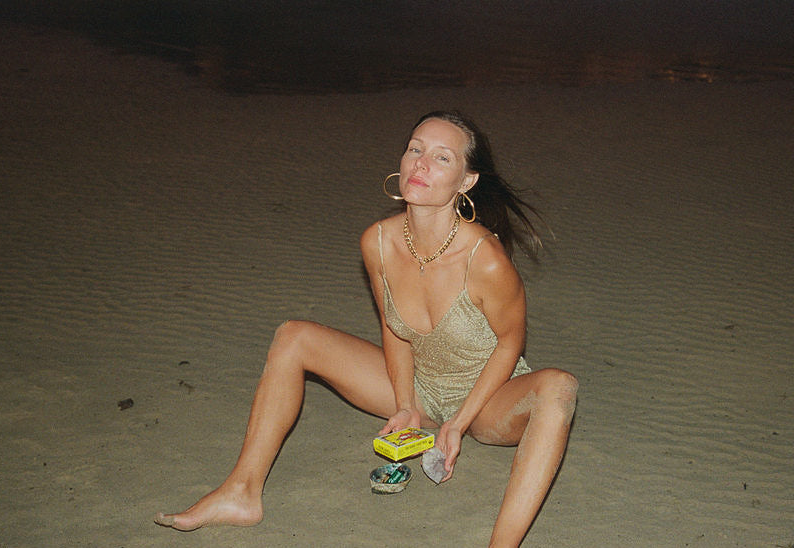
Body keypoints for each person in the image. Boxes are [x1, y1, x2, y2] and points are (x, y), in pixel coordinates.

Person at [154, 111, 578, 547]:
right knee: (294, 336)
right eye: (415, 149)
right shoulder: (377, 241)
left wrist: (458, 423)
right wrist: (406, 405)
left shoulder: (485, 259)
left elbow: (510, 344)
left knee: (559, 388)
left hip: (487, 400)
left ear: (466, 182)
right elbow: (394, 329)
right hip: (420, 388)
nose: (420, 163)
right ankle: (240, 493)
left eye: (441, 157)